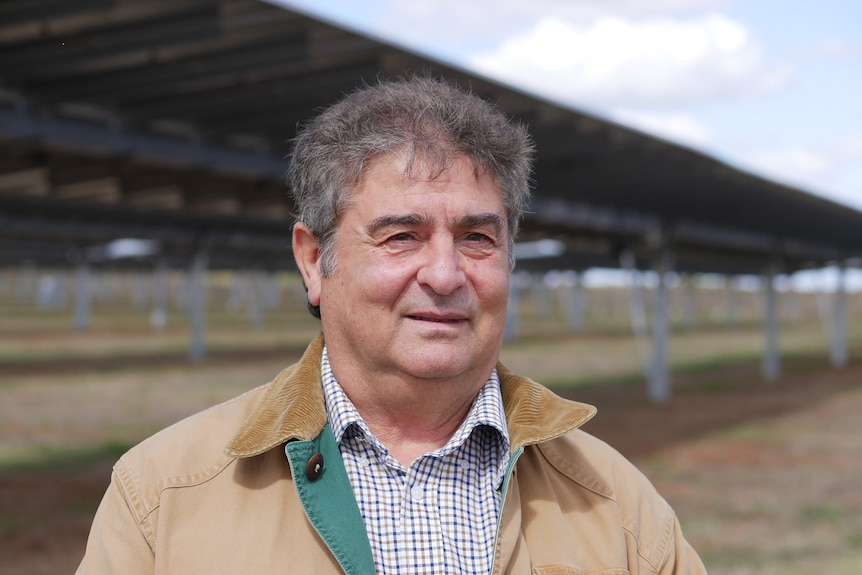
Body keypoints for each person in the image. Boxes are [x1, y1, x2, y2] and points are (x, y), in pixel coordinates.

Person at [77, 76, 707, 574]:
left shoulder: (615, 500)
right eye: (401, 236)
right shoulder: (163, 494)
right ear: (313, 261)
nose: (444, 273)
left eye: (477, 237)